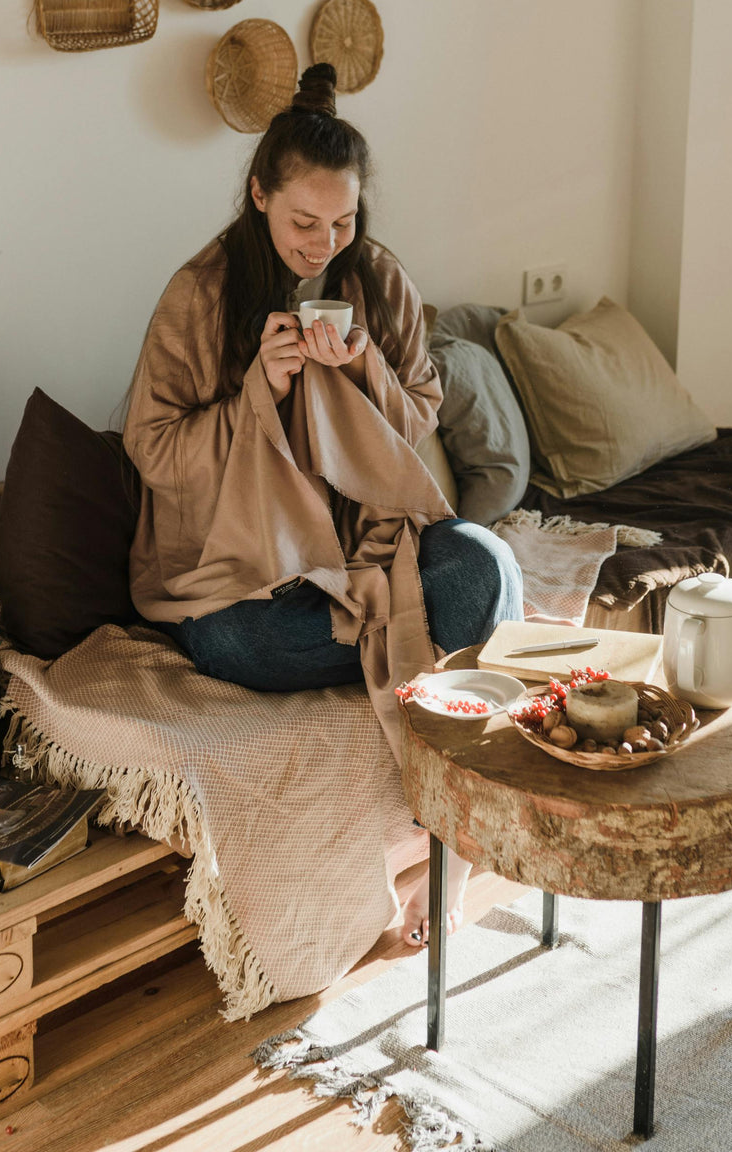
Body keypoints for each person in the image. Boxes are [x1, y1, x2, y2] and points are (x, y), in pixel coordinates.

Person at [124, 64, 523, 944]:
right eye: (304, 222)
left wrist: (361, 366)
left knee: (489, 566)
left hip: (359, 558)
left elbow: (420, 409)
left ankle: (446, 851)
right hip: (250, 579)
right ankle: (440, 709)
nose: (322, 244)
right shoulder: (200, 295)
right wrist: (256, 391)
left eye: (342, 222)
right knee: (235, 642)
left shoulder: (374, 278)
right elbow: (151, 448)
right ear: (259, 194)